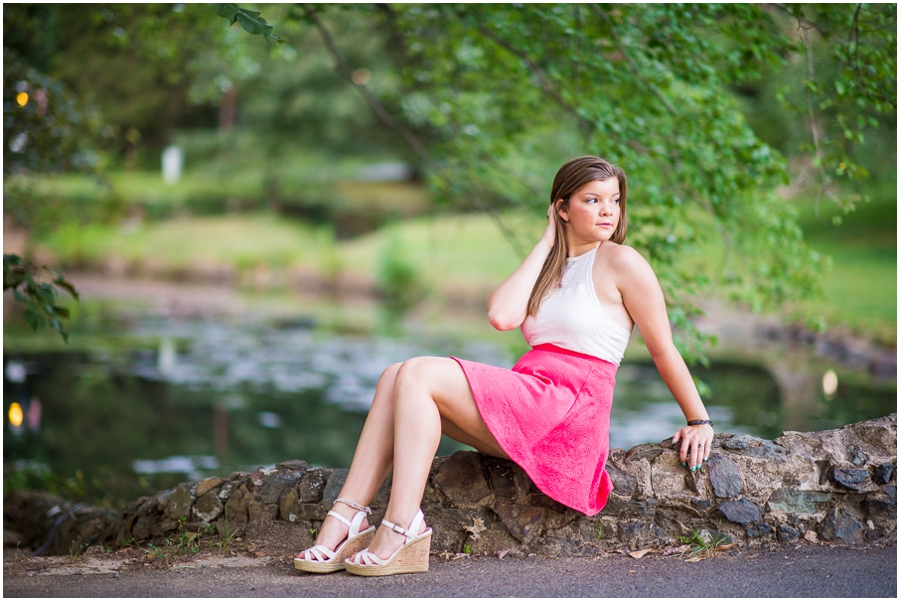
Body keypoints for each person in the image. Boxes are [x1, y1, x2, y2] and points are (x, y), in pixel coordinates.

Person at [294, 155, 715, 577]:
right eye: (592, 200)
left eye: (615, 200)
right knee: (394, 375)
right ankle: (347, 519)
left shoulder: (622, 262)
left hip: (570, 409)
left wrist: (698, 418)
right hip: (532, 395)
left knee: (418, 373)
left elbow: (663, 349)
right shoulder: (549, 266)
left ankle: (402, 524)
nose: (608, 211)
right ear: (562, 209)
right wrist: (545, 243)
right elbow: (501, 315)